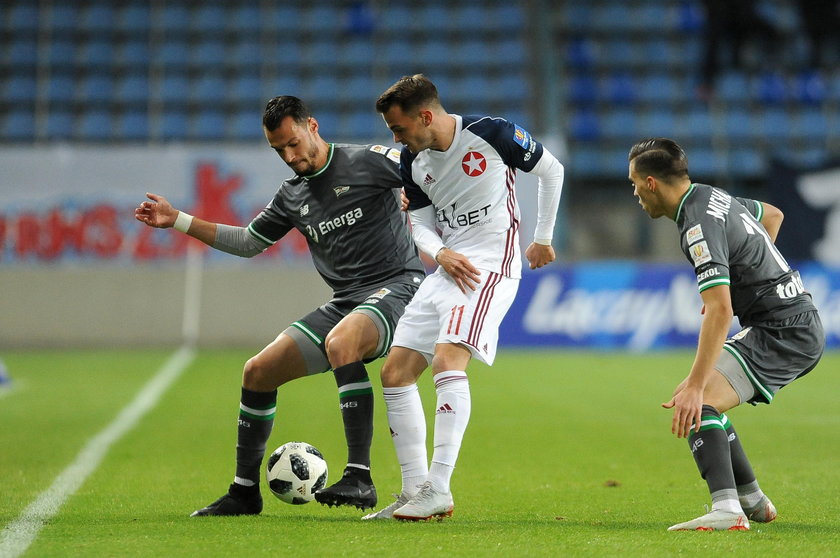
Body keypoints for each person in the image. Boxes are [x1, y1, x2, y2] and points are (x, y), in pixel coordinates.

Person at [134, 96, 425, 516]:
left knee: (342, 342)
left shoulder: (369, 161)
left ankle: (360, 476)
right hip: (346, 302)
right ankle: (244, 492)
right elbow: (250, 242)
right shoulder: (292, 195)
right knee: (257, 371)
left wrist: (419, 200)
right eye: (279, 150)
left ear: (313, 125)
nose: (289, 156)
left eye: (293, 143)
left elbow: (429, 170)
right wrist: (177, 219)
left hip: (399, 287)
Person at [361, 74, 565, 521]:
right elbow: (419, 224)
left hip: (489, 269)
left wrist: (543, 237)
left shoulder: (492, 134)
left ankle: (439, 487)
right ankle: (415, 489)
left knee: (447, 361)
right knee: (395, 372)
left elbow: (552, 170)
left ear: (426, 116)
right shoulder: (412, 163)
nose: (395, 139)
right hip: (447, 268)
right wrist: (441, 252)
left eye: (398, 129)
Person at [627, 138, 824, 531]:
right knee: (700, 395)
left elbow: (720, 310)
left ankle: (727, 510)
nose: (634, 193)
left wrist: (696, 385)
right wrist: (749, 275)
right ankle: (751, 500)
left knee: (696, 401)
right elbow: (772, 215)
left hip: (783, 330)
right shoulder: (713, 196)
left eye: (633, 184)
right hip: (790, 320)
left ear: (651, 183)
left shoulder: (696, 225)